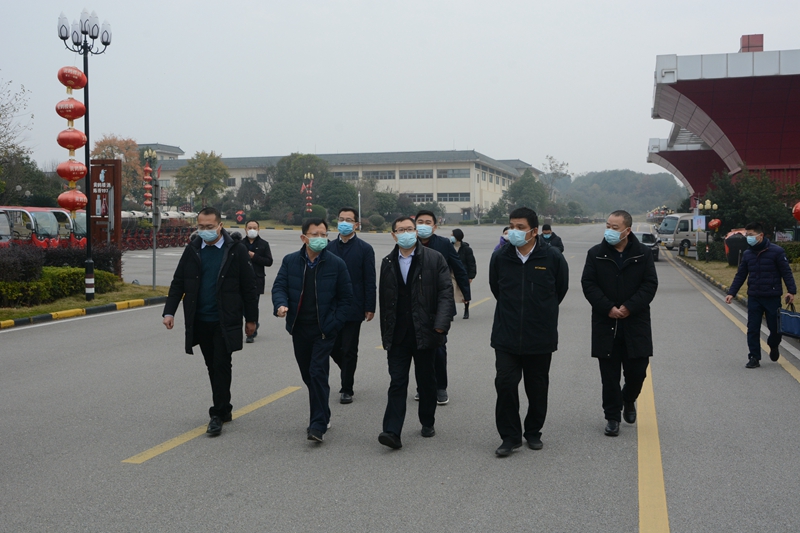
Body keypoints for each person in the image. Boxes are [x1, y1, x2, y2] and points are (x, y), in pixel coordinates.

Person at [162, 207, 258, 437]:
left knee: (221, 363)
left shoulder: (236, 250)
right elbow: (178, 282)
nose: (205, 230)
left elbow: (249, 287)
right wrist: (169, 312)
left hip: (225, 319)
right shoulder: (193, 249)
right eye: (201, 226)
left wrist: (251, 319)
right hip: (200, 319)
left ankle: (217, 413)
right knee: (212, 366)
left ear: (220, 225)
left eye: (209, 226)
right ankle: (225, 407)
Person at [490, 207, 569, 456]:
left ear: (534, 231)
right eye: (512, 226)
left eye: (520, 227)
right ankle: (510, 436)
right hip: (506, 334)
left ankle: (533, 432)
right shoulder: (501, 257)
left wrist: (540, 313)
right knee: (505, 384)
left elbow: (560, 290)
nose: (514, 231)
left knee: (537, 388)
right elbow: (496, 289)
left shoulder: (552, 257)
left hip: (540, 335)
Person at [272, 218, 353, 443]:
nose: (320, 238)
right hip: (299, 328)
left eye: (323, 234)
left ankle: (317, 425)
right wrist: (280, 304)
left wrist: (334, 323)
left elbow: (346, 298)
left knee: (318, 372)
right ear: (304, 238)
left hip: (324, 330)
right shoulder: (290, 261)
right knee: (308, 375)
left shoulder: (336, 264)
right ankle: (323, 412)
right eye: (315, 234)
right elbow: (279, 286)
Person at [377, 216, 454, 449]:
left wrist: (441, 324)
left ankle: (427, 420)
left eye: (410, 229)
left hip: (425, 331)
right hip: (398, 335)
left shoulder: (434, 258)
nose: (406, 233)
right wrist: (386, 334)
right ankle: (392, 431)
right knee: (397, 382)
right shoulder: (388, 262)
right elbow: (385, 301)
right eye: (401, 230)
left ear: (416, 232)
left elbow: (445, 293)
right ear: (394, 235)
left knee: (426, 381)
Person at [581, 210, 658, 437]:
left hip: (636, 322)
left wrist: (629, 307)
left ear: (627, 230)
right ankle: (612, 417)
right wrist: (608, 308)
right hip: (606, 323)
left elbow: (649, 284)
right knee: (609, 376)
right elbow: (588, 284)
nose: (610, 231)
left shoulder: (643, 254)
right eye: (608, 226)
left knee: (638, 371)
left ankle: (629, 398)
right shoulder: (596, 254)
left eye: (615, 227)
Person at [414, 209, 470, 405]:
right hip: (415, 305)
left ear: (435, 226)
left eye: (427, 222)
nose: (423, 225)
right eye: (420, 222)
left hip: (439, 304)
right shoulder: (408, 243)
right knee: (419, 348)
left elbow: (459, 268)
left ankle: (440, 387)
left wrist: (466, 295)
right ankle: (422, 387)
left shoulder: (444, 244)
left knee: (438, 348)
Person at [725, 222, 796, 368]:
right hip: (754, 297)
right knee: (752, 328)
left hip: (772, 296)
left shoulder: (777, 252)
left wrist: (791, 291)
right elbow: (741, 275)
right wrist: (732, 293)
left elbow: (786, 272)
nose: (748, 238)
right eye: (747, 235)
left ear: (760, 235)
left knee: (775, 329)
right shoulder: (747, 254)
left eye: (751, 235)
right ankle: (754, 357)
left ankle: (773, 344)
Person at [326, 207, 377, 404]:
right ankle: (348, 369)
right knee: (331, 347)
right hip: (331, 307)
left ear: (356, 224)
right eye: (341, 219)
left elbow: (369, 279)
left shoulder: (365, 249)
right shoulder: (328, 247)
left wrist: (370, 306)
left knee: (349, 349)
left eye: (349, 220)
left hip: (354, 306)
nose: (344, 223)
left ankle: (346, 388)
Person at [243, 220, 273, 343]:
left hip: (257, 280)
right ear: (245, 229)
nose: (252, 230)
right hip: (242, 279)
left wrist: (254, 256)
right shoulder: (240, 244)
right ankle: (254, 322)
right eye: (249, 227)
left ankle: (251, 332)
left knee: (253, 305)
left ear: (258, 229)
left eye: (254, 228)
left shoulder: (263, 244)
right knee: (242, 306)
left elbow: (269, 261)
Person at [450, 228, 477, 319]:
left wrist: (471, 276)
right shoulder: (449, 247)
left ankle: (466, 310)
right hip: (451, 273)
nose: (451, 237)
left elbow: (471, 263)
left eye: (452, 235)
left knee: (464, 292)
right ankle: (451, 312)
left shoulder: (466, 249)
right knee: (450, 292)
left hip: (462, 273)